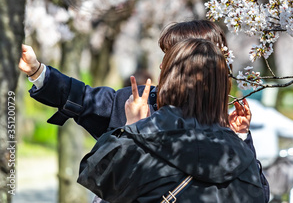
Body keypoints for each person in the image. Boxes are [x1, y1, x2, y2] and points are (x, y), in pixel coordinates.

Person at [18, 19, 269, 200]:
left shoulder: (225, 125)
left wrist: (241, 136)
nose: (162, 64)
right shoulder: (142, 100)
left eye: (171, 55)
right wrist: (39, 73)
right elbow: (88, 99)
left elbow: (253, 191)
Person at [77, 38, 267, 202]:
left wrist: (132, 128)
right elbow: (259, 196)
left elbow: (102, 180)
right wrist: (241, 138)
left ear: (169, 78)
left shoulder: (149, 136)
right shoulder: (241, 154)